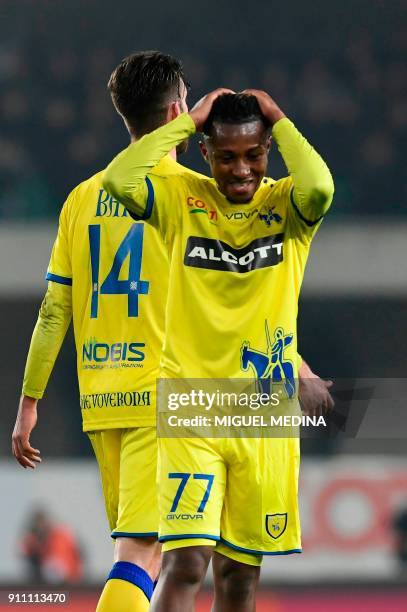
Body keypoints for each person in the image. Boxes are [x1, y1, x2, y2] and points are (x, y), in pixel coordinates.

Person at [12, 51, 331, 612]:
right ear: (185, 113)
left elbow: (54, 311)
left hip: (107, 394)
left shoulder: (80, 200)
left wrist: (30, 400)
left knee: (166, 559)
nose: (240, 168)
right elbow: (213, 304)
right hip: (171, 395)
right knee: (152, 556)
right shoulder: (183, 198)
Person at [103, 89, 334, 611]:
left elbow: (321, 186)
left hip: (263, 412)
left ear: (268, 151)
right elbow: (120, 179)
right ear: (206, 154)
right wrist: (191, 121)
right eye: (226, 157)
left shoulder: (288, 206)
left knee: (238, 577)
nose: (241, 170)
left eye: (253, 154)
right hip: (191, 405)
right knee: (185, 562)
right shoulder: (181, 198)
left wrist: (278, 115)